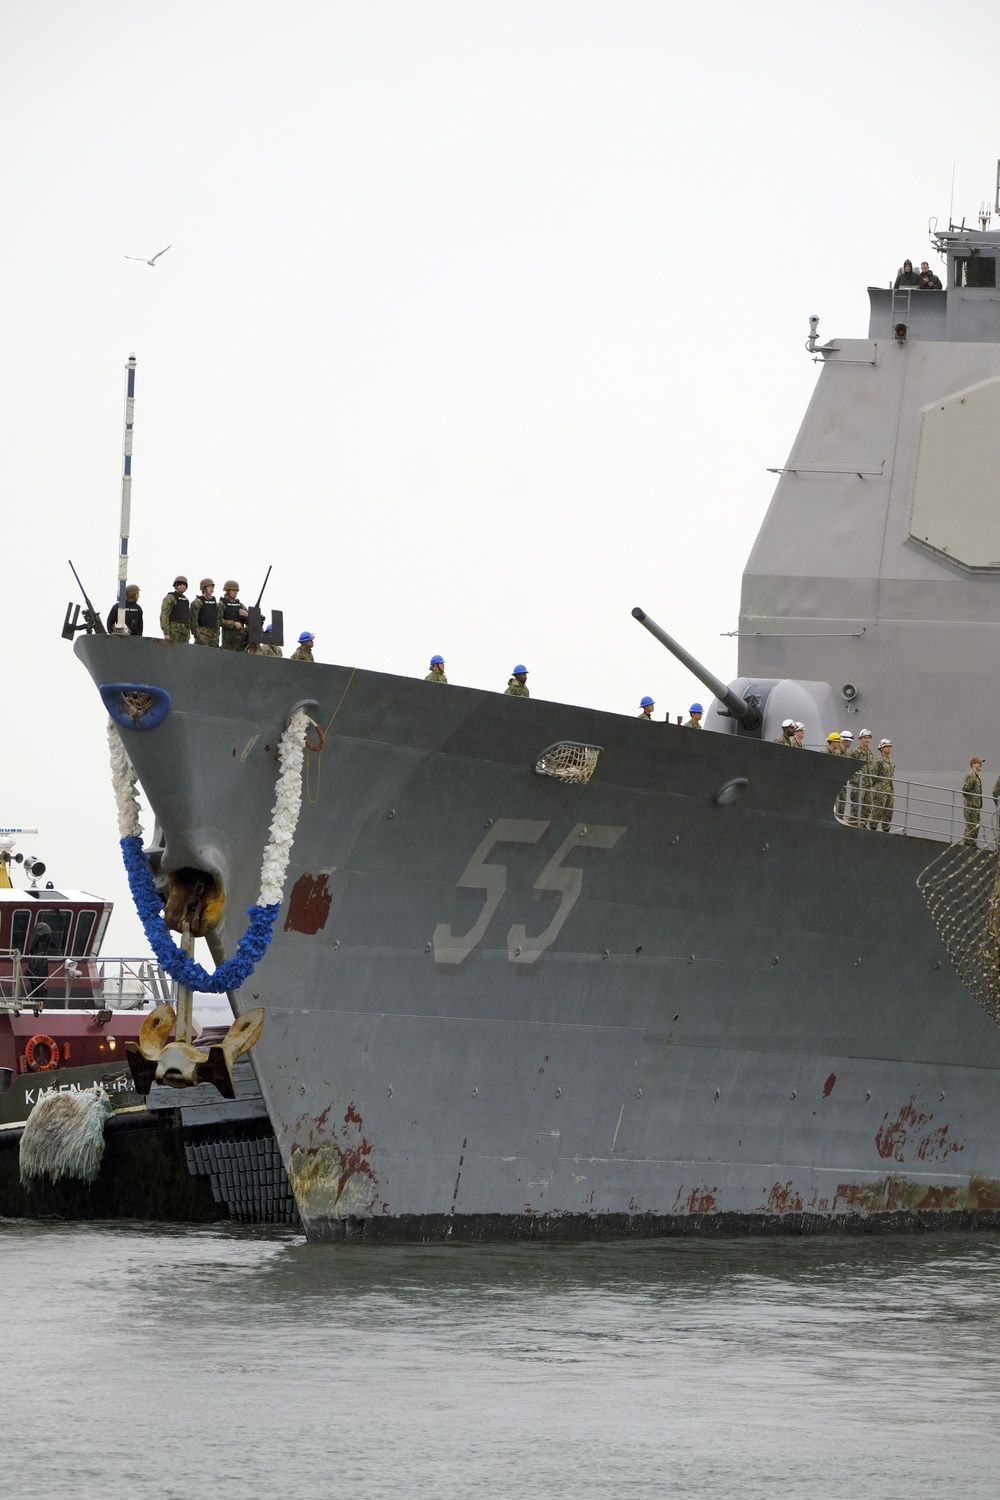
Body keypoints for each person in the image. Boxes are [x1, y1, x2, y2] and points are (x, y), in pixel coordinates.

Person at [848, 729, 876, 826]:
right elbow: (849, 765)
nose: (867, 740)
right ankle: (852, 826)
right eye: (865, 738)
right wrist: (854, 780)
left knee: (868, 807)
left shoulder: (870, 753)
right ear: (861, 739)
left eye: (868, 738)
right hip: (858, 783)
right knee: (856, 807)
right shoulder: (856, 751)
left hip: (868, 784)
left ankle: (862, 826)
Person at [26, 920, 58, 999]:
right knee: (40, 980)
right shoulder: (48, 934)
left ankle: (34, 996)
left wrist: (30, 950)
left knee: (34, 980)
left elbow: (32, 945)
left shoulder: (38, 934)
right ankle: (39, 997)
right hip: (43, 959)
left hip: (36, 958)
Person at [869, 738, 896, 832]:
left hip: (889, 790)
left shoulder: (891, 761)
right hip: (880, 790)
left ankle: (886, 828)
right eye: (887, 746)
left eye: (889, 746)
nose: (889, 748)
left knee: (889, 810)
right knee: (878, 810)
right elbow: (873, 776)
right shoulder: (878, 761)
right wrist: (877, 787)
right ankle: (873, 827)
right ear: (881, 748)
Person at [160, 576, 191, 643]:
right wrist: (166, 632)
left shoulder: (186, 600)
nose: (182, 586)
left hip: (184, 633)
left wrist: (188, 632)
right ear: (176, 585)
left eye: (184, 585)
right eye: (180, 584)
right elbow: (164, 615)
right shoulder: (170, 598)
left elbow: (188, 617)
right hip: (173, 632)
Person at [191, 578, 221, 647]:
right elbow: (193, 620)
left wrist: (217, 633)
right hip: (202, 634)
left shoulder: (214, 602)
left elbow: (217, 618)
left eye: (212, 587)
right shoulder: (198, 602)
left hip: (214, 636)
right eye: (209, 587)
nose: (211, 589)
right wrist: (197, 634)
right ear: (204, 588)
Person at [220, 581, 249, 651]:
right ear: (227, 591)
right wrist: (233, 624)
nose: (235, 592)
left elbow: (252, 621)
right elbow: (218, 621)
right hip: (228, 642)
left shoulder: (240, 605)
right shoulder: (221, 605)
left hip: (241, 641)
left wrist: (247, 615)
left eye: (236, 591)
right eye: (233, 590)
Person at [963, 757, 985, 845]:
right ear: (973, 764)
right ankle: (968, 844)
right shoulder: (971, 775)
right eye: (978, 762)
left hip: (976, 806)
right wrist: (971, 799)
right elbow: (965, 789)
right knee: (971, 826)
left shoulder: (976, 776)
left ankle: (972, 843)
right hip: (971, 806)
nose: (981, 764)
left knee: (976, 825)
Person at [835, 731, 854, 820]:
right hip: (836, 783)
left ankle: (839, 818)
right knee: (837, 804)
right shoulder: (837, 752)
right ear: (844, 740)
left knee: (842, 805)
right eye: (849, 741)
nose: (850, 742)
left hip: (843, 783)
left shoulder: (846, 752)